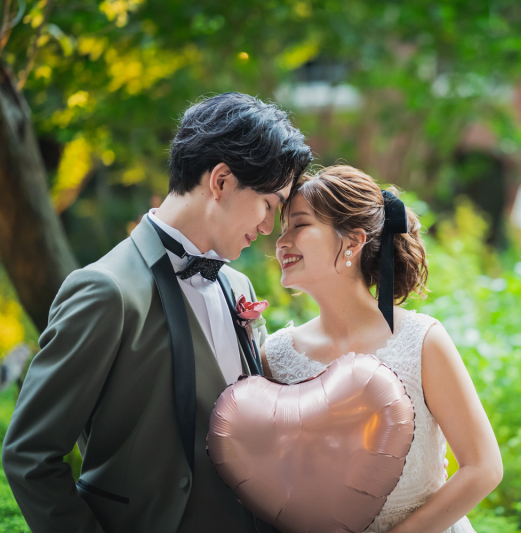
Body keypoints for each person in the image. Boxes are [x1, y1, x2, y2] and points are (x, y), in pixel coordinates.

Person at [2, 93, 311, 533]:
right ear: (221, 181)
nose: (267, 227)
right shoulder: (105, 291)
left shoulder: (237, 286)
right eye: (269, 204)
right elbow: (30, 455)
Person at [261, 165, 503, 533]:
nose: (281, 242)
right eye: (282, 230)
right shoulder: (275, 356)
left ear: (353, 242)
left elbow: (483, 467)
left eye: (300, 225)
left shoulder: (422, 340)